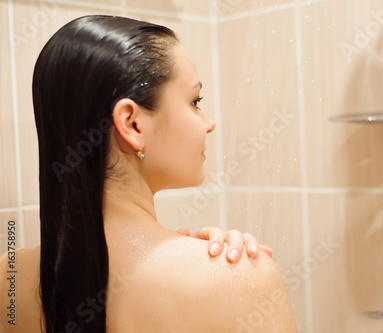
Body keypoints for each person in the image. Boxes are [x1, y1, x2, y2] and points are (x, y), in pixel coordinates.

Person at [0, 15, 297, 333]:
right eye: (195, 101)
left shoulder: (10, 277)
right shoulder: (242, 278)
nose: (208, 122)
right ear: (132, 124)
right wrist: (228, 270)